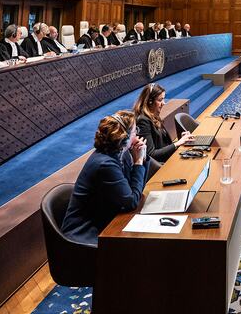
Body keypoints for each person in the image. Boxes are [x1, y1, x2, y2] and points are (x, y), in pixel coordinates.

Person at [59, 110, 148, 245]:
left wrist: (141, 159)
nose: (138, 135)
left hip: (105, 219)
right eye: (135, 131)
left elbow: (135, 190)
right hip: (85, 234)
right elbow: (131, 201)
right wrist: (138, 161)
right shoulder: (105, 164)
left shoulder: (120, 154)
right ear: (125, 137)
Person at [133, 83, 195, 166]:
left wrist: (181, 139)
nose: (164, 103)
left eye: (163, 99)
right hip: (160, 166)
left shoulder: (154, 115)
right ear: (150, 101)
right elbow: (151, 155)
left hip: (167, 160)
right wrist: (177, 143)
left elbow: (163, 145)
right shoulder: (143, 121)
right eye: (160, 100)